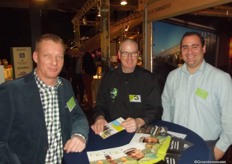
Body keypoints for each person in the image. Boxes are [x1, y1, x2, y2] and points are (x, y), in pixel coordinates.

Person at [0, 33, 89, 164]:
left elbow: (77, 116)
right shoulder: (11, 92)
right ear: (36, 57)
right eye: (47, 56)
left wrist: (79, 135)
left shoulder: (65, 86)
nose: (55, 62)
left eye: (59, 57)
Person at [162, 31, 232, 160]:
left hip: (208, 145)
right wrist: (168, 132)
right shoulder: (172, 77)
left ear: (204, 48)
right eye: (185, 47)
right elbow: (166, 104)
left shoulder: (221, 78)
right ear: (181, 50)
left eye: (195, 46)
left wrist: (219, 150)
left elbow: (230, 118)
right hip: (176, 143)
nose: (190, 51)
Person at [91, 39, 162, 134]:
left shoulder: (148, 79)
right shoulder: (108, 78)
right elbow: (100, 104)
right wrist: (100, 117)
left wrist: (139, 121)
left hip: (139, 131)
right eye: (125, 53)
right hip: (113, 133)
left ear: (138, 54)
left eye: (133, 53)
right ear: (119, 55)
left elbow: (156, 109)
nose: (129, 58)